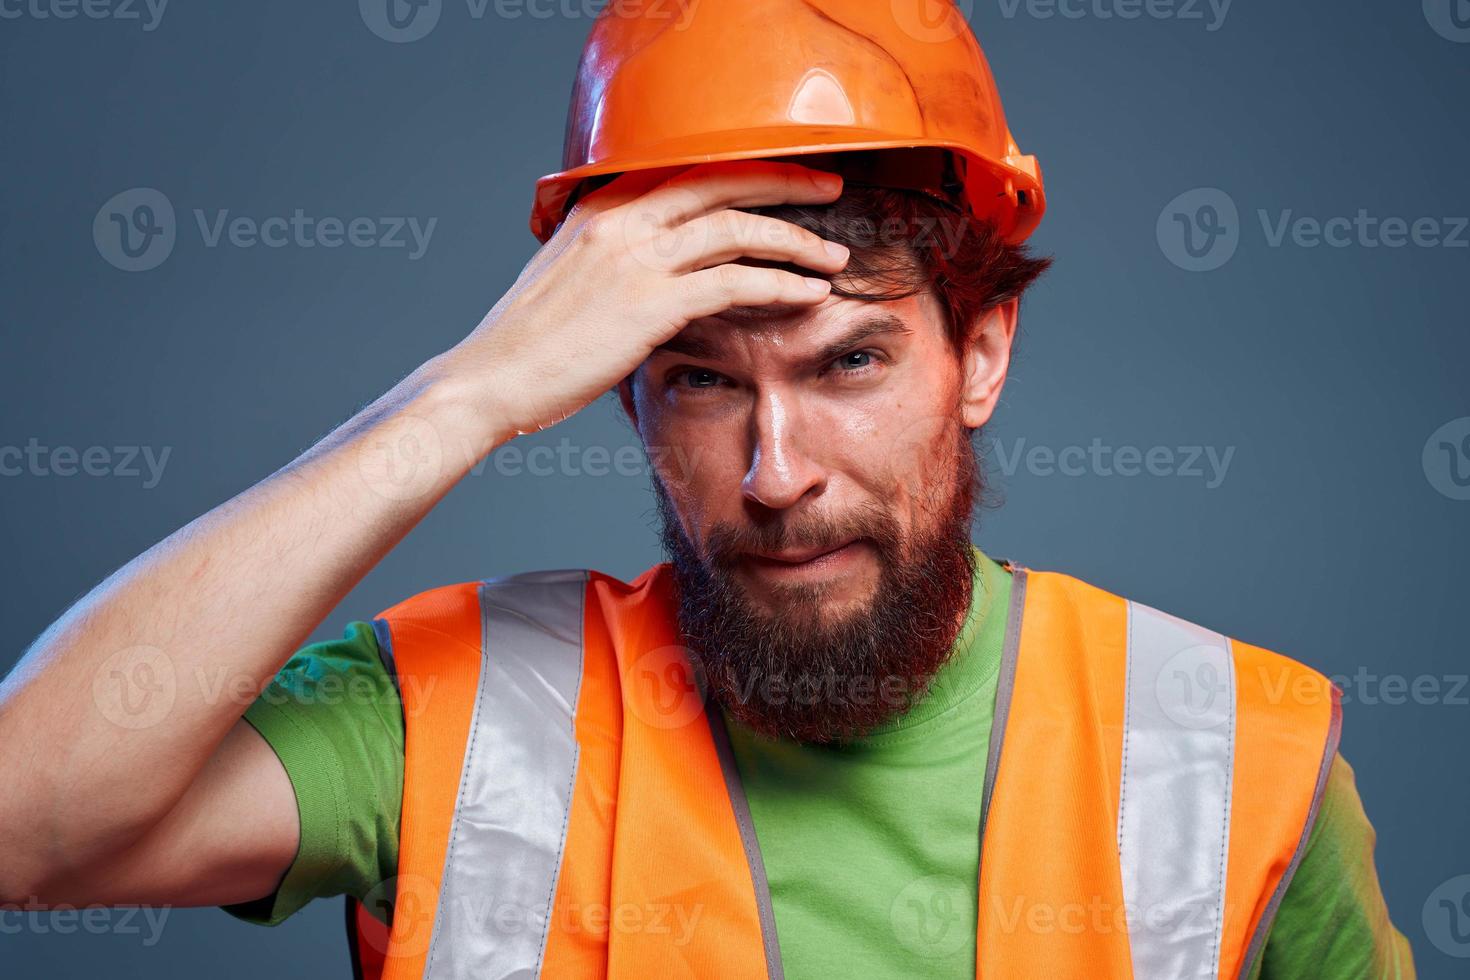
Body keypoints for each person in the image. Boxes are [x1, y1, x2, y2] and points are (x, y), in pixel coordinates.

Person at [0, 2, 1414, 977]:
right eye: (698, 379)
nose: (776, 474)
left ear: (978, 352)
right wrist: (465, 395)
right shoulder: (452, 715)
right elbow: (23, 824)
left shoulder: (1233, 755)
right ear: (616, 388)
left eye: (849, 361)